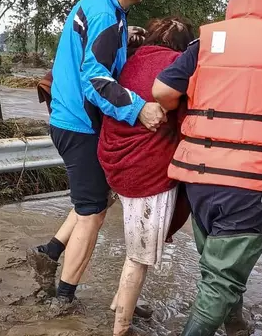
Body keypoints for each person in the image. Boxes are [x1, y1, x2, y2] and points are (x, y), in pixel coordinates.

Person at [152, 0, 262, 336]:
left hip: (198, 177)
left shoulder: (206, 40)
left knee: (219, 265)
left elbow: (161, 89)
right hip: (251, 180)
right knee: (220, 279)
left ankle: (236, 325)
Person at [26, 0, 166, 311]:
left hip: (67, 118)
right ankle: (64, 297)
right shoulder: (106, 15)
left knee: (93, 198)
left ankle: (50, 251)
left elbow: (96, 51)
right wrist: (139, 110)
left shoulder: (101, 5)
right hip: (80, 125)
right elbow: (95, 80)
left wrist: (124, 36)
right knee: (92, 212)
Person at [96, 17, 194, 336]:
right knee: (138, 258)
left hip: (113, 162)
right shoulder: (177, 68)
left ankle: (120, 303)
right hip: (145, 171)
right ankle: (121, 327)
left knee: (132, 241)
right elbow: (186, 122)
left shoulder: (130, 60)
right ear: (184, 46)